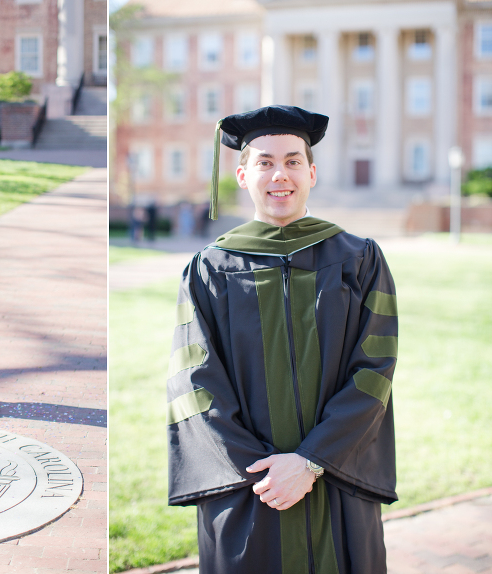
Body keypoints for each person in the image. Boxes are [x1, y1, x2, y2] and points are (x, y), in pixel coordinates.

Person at [166, 105, 398, 573]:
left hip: (336, 479)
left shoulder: (360, 259)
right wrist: (269, 473)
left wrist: (311, 462)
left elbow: (375, 372)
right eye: (265, 162)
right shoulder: (210, 268)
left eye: (293, 161)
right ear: (241, 174)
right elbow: (194, 383)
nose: (280, 175)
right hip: (249, 487)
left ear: (311, 172)